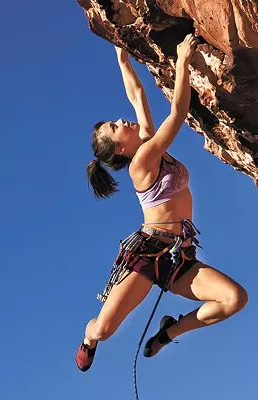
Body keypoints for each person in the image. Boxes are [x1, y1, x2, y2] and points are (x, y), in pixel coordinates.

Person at [75, 34, 248, 372]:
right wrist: (182, 60)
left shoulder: (147, 144)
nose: (122, 121)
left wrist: (121, 56)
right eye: (115, 127)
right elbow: (179, 112)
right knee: (105, 329)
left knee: (233, 300)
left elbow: (137, 95)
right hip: (147, 253)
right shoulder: (141, 163)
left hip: (178, 255)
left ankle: (169, 332)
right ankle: (89, 336)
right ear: (120, 150)